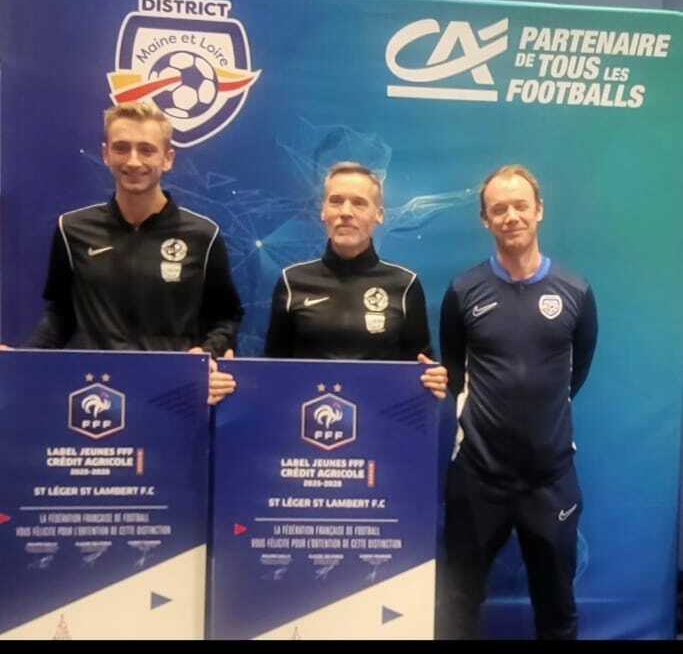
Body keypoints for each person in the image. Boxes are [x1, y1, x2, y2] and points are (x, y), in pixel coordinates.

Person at [437, 165, 598, 639]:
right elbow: (455, 375)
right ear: (485, 219)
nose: (511, 216)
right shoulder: (462, 291)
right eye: (499, 209)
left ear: (539, 210)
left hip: (550, 481)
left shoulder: (576, 291)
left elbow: (577, 373)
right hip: (478, 478)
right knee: (457, 605)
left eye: (520, 206)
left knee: (557, 606)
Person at [8, 102, 243, 405]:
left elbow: (226, 316)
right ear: (106, 154)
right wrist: (21, 360)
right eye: (121, 148)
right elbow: (61, 314)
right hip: (96, 393)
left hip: (173, 395)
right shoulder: (72, 229)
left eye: (146, 150)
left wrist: (207, 354)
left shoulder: (203, 235)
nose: (133, 161)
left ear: (167, 158)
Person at [265, 161, 447, 398]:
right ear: (323, 211)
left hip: (381, 419)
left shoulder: (405, 285)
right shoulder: (291, 282)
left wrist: (432, 378)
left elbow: (421, 367)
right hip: (307, 417)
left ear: (379, 215)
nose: (346, 212)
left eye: (359, 203)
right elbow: (271, 372)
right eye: (336, 201)